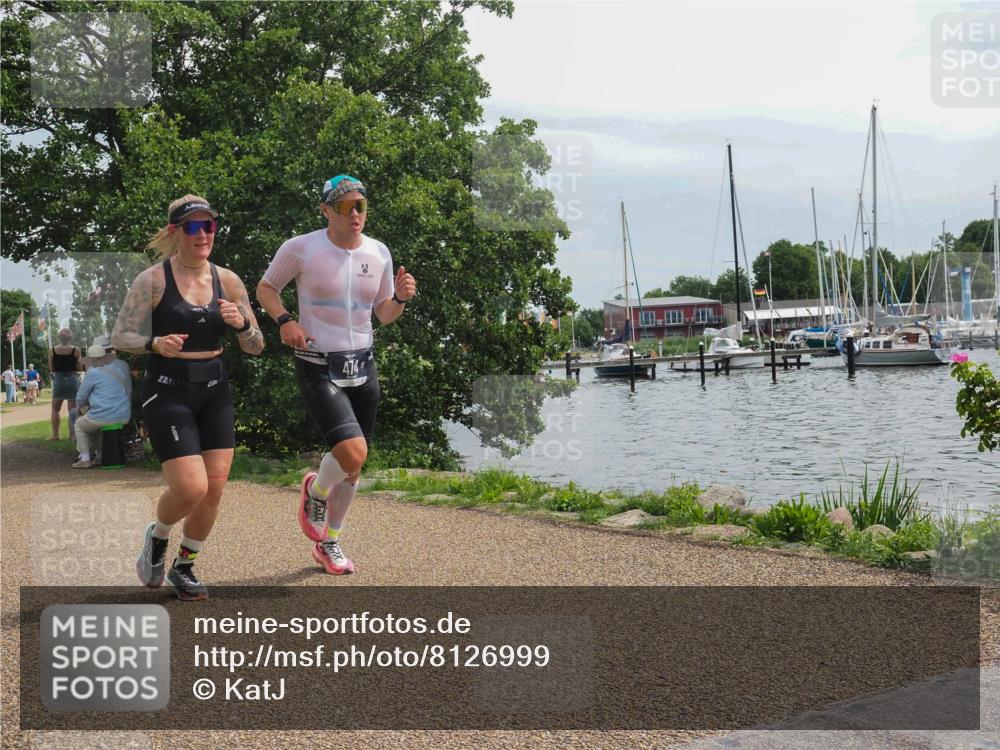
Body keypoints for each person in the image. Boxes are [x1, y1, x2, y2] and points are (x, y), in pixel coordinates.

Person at [257, 174, 416, 575]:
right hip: (317, 364)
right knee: (352, 452)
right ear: (327, 210)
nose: (356, 214)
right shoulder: (301, 248)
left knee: (355, 466)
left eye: (361, 206)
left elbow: (384, 315)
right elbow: (266, 288)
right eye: (346, 207)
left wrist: (398, 297)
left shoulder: (379, 253)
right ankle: (316, 489)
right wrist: (285, 321)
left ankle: (330, 541)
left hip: (362, 364)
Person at [112, 194, 264, 601]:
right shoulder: (153, 281)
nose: (202, 235)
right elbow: (119, 336)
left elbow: (256, 345)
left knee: (214, 489)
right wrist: (154, 342)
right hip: (168, 393)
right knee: (191, 488)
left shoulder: (228, 281)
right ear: (175, 232)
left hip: (214, 392)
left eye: (208, 226)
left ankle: (184, 565)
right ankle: (157, 537)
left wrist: (243, 322)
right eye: (192, 227)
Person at [72, 339, 132, 468]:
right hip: (124, 413)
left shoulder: (93, 372)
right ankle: (100, 456)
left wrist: (81, 407)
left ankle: (85, 458)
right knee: (96, 423)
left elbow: (80, 397)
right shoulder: (122, 365)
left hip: (105, 415)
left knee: (80, 425)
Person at [49, 327, 82, 440]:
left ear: (59, 337)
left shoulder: (52, 350)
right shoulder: (76, 350)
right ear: (70, 338)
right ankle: (72, 435)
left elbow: (51, 368)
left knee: (55, 409)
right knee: (72, 410)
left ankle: (55, 435)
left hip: (58, 381)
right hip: (72, 380)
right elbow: (79, 366)